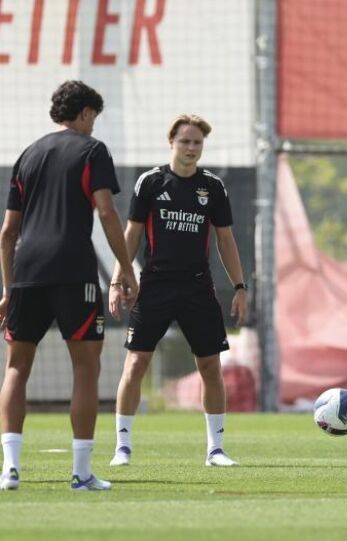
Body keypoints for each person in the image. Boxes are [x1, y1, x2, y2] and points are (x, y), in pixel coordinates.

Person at [0, 81, 138, 491]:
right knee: (86, 367)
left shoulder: (28, 155)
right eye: (93, 117)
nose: (94, 126)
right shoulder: (91, 150)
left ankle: (9, 470)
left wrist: (8, 288)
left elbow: (8, 231)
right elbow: (108, 213)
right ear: (83, 114)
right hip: (72, 269)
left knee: (16, 366)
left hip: (25, 271)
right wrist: (126, 268)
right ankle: (80, 473)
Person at [108, 114, 249, 468]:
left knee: (210, 367)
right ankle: (122, 447)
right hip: (154, 285)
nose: (191, 148)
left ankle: (215, 449)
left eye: (197, 142)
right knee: (136, 363)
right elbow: (131, 234)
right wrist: (118, 278)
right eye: (185, 141)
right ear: (171, 142)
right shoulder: (151, 182)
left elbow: (226, 239)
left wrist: (240, 286)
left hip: (197, 288)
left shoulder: (213, 187)